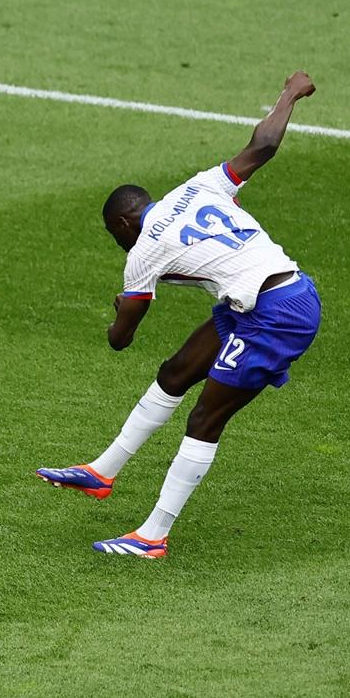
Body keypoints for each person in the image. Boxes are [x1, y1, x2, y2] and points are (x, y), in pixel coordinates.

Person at [36, 71, 321, 558]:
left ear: (125, 223)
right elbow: (264, 146)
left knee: (205, 418)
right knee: (176, 371)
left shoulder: (142, 251)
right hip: (259, 297)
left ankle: (152, 536)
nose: (118, 243)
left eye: (115, 235)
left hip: (276, 315)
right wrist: (289, 93)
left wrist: (117, 314)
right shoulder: (197, 187)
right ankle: (102, 472)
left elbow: (120, 339)